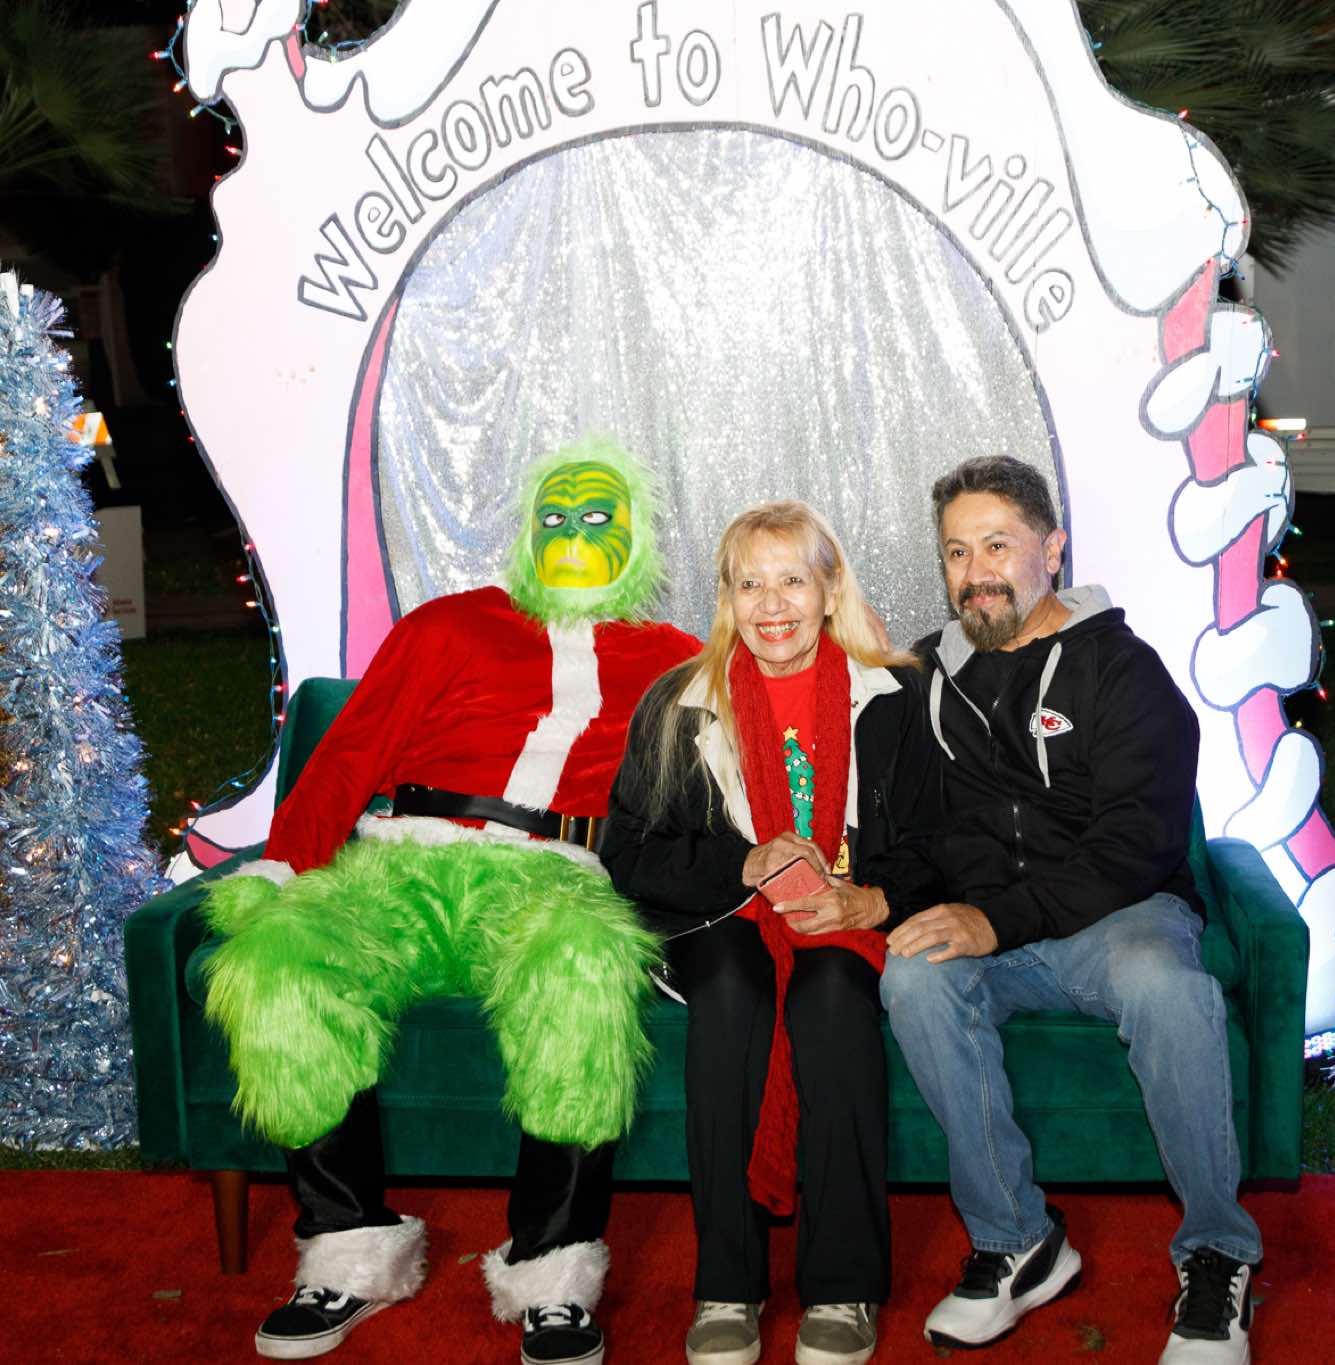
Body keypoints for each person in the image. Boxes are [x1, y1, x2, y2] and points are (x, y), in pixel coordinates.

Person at [198, 438, 701, 1364]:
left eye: (598, 518)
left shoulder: (677, 659)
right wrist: (283, 868)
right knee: (279, 957)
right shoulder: (447, 625)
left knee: (586, 965)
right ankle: (347, 1250)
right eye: (556, 516)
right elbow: (349, 753)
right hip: (401, 867)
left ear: (636, 539)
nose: (574, 534)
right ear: (526, 532)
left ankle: (552, 1275)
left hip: (552, 878)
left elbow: (742, 759)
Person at [879, 456, 1262, 1364]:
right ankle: (1017, 1238)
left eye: (997, 545)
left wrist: (997, 919)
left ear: (1052, 550)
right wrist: (886, 896)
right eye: (957, 552)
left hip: (1117, 915)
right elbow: (915, 828)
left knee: (1167, 986)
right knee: (913, 974)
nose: (976, 572)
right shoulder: (929, 677)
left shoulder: (1123, 669)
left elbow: (1138, 840)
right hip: (997, 928)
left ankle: (1218, 1250)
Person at [600, 502, 944, 1365]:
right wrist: (744, 863)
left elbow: (939, 843)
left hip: (845, 916)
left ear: (830, 590)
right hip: (722, 917)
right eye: (750, 583)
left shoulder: (895, 697)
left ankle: (843, 1284)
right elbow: (630, 854)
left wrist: (871, 899)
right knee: (730, 989)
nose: (772, 603)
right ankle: (727, 1281)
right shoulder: (678, 701)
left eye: (792, 579)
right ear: (727, 598)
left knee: (832, 995)